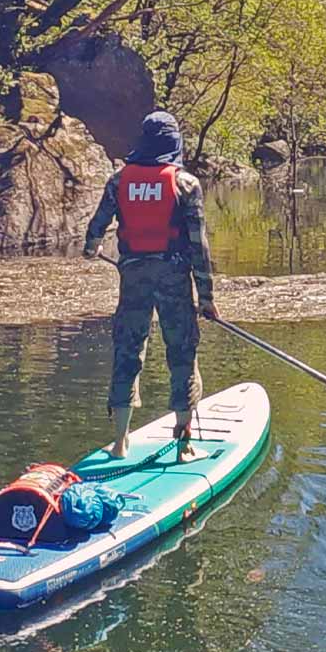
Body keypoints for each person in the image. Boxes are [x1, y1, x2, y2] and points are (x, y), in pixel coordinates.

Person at [83, 110, 217, 463]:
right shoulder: (186, 184)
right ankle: (184, 445)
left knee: (128, 350)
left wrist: (91, 247)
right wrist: (206, 297)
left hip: (133, 276)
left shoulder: (118, 180)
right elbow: (199, 246)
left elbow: (96, 227)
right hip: (173, 277)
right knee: (182, 354)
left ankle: (119, 443)